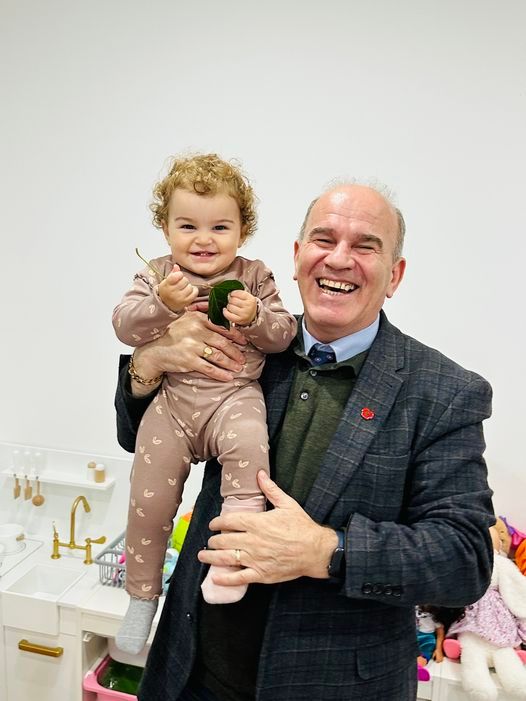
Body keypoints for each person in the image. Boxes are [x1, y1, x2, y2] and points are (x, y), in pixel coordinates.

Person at [114, 182, 495, 700]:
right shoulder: (247, 339)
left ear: (395, 275)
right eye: (324, 239)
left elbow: (464, 558)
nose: (339, 259)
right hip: (191, 673)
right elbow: (138, 435)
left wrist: (326, 550)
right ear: (296, 258)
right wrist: (148, 361)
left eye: (365, 246)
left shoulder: (444, 392)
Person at [112, 153, 296, 655]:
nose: (203, 239)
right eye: (188, 225)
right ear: (166, 228)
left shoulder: (255, 276)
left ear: (242, 231)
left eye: (220, 226)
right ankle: (141, 597)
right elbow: (124, 325)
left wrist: (255, 316)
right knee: (148, 503)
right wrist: (162, 306)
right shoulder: (157, 275)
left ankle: (228, 564)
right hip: (171, 404)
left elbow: (283, 335)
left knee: (251, 455)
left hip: (233, 398)